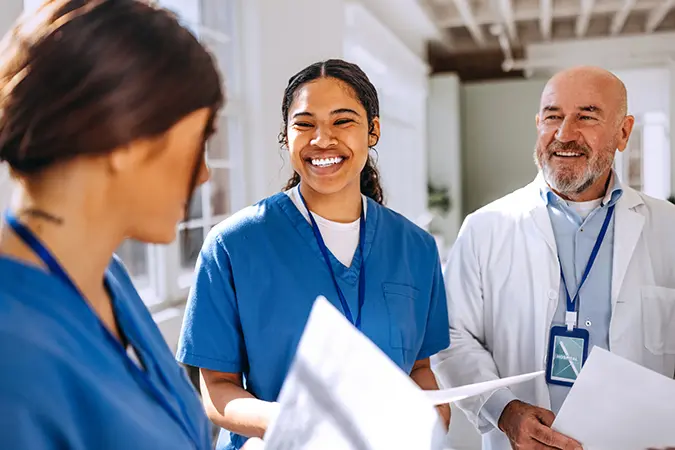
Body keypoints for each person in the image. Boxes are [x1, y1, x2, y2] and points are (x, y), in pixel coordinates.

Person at [176, 58, 451, 449]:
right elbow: (217, 390)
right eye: (304, 124)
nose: (323, 139)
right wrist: (292, 423)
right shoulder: (233, 246)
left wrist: (434, 418)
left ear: (373, 130)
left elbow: (420, 369)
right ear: (286, 137)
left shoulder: (416, 249)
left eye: (342, 121)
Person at [0, 1, 224, 448]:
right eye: (198, 142)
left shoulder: (109, 278)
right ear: (127, 137)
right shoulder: (13, 361)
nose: (204, 174)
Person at [433, 66, 675, 450]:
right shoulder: (485, 227)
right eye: (553, 116)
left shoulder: (669, 228)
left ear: (623, 132)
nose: (564, 134)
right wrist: (504, 411)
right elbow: (450, 336)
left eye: (587, 116)